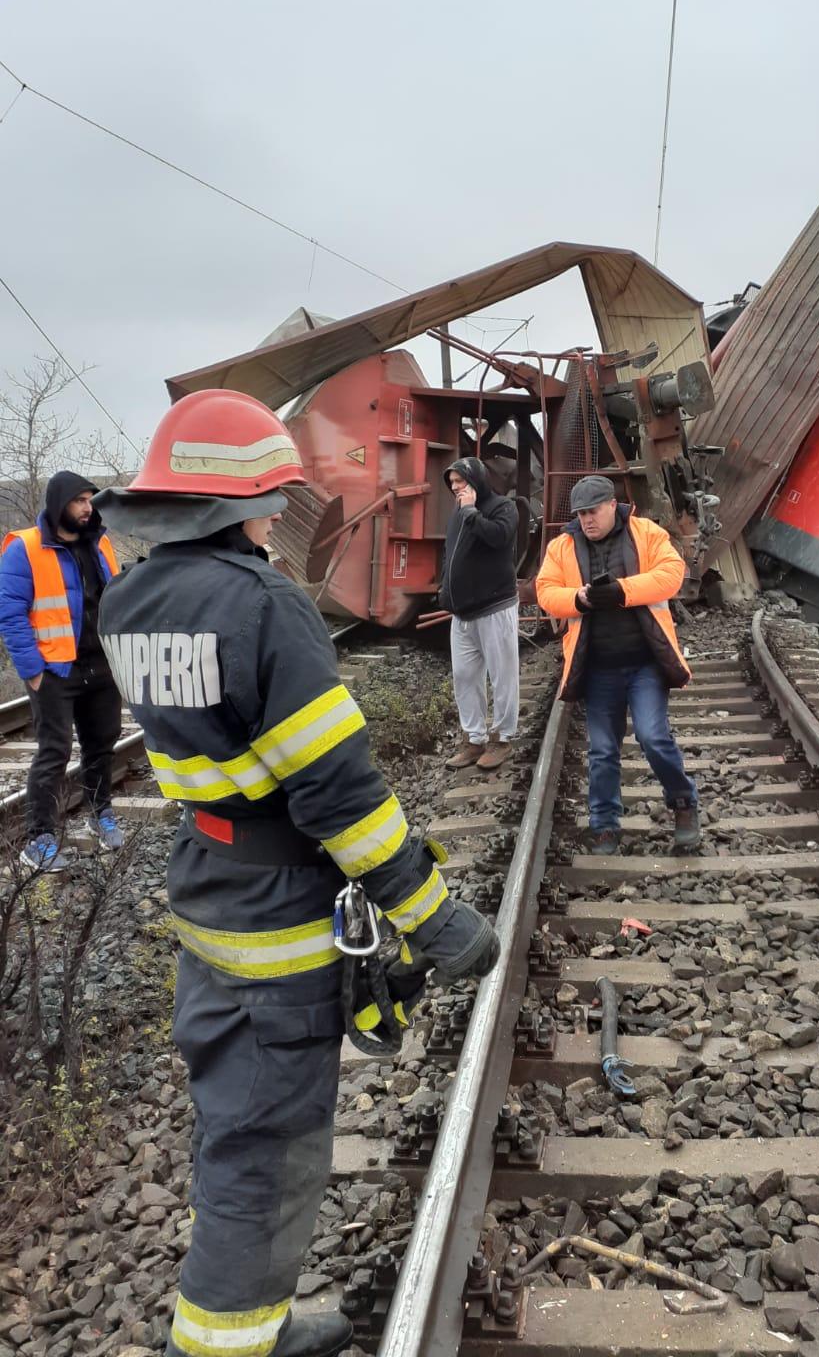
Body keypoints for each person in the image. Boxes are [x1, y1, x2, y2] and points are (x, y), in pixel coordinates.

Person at [94, 389, 499, 1357]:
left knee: (232, 1118)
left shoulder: (130, 597)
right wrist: (433, 917)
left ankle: (248, 1322)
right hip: (276, 908)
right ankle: (229, 1342)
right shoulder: (262, 603)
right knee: (267, 1150)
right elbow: (337, 794)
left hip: (208, 888)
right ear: (239, 502)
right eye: (273, 498)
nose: (278, 515)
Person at [535, 475, 700, 855]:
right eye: (581, 514)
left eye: (593, 511)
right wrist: (578, 599)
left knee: (653, 737)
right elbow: (546, 591)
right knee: (602, 750)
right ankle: (604, 826)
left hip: (644, 664)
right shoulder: (562, 546)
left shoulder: (646, 533)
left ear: (612, 505)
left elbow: (672, 574)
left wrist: (622, 591)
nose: (587, 520)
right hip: (598, 668)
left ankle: (684, 803)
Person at [0, 471, 125, 870]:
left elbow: (117, 599)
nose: (88, 508)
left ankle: (100, 813)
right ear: (59, 504)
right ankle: (39, 838)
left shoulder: (100, 542)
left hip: (100, 664)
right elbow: (11, 614)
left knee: (102, 743)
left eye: (90, 500)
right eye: (79, 500)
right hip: (55, 669)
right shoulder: (25, 547)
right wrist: (33, 670)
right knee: (54, 751)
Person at [439, 457, 520, 771]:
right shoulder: (458, 513)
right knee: (464, 677)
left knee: (502, 675)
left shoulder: (503, 507)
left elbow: (499, 537)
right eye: (452, 482)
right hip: (462, 614)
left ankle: (502, 738)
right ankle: (474, 740)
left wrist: (472, 512)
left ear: (477, 479)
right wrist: (445, 588)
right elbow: (451, 553)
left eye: (460, 481)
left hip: (494, 607)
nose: (455, 487)